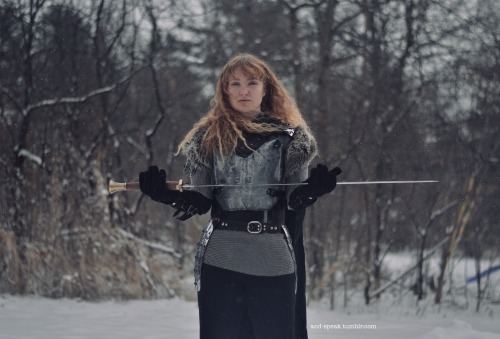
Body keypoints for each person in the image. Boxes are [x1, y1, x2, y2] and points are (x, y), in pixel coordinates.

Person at [139, 53, 341, 339]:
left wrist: (314, 189)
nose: (243, 90)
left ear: (265, 88)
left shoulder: (291, 139)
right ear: (224, 90)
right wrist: (162, 194)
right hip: (220, 257)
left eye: (252, 82)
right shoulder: (206, 138)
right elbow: (200, 199)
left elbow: (295, 200)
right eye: (235, 84)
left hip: (273, 256)